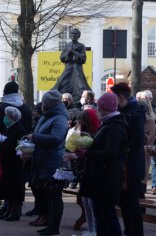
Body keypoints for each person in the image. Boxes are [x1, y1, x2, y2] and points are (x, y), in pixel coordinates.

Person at [75, 92, 128, 236]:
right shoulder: (108, 124)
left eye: (99, 107)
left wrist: (87, 153)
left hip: (107, 179)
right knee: (101, 216)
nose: (97, 110)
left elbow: (110, 153)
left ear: (105, 108)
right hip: (101, 178)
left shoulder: (115, 126)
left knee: (107, 217)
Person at [26, 90, 68, 236]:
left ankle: (54, 227)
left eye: (44, 103)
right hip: (43, 161)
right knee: (47, 196)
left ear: (49, 104)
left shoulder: (59, 119)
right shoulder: (47, 116)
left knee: (54, 196)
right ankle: (49, 223)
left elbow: (56, 139)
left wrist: (35, 137)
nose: (42, 105)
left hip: (53, 163)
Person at [0, 81, 32, 216]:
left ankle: (11, 207)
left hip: (9, 149)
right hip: (22, 150)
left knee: (10, 179)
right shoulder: (25, 108)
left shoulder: (2, 107)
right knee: (14, 180)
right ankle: (11, 207)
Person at [110, 83, 145, 236]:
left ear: (120, 97)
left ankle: (135, 233)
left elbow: (137, 140)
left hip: (131, 167)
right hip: (125, 166)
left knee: (131, 204)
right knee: (125, 204)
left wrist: (120, 144)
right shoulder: (125, 111)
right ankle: (129, 231)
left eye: (114, 99)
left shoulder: (135, 112)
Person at [63, 109, 100, 235]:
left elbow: (92, 152)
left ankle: (95, 230)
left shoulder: (95, 133)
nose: (80, 122)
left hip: (90, 170)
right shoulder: (82, 131)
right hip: (82, 169)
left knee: (91, 202)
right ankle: (91, 230)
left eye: (82, 119)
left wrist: (77, 155)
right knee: (85, 201)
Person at [0, 106, 27, 221]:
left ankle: (15, 211)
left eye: (7, 116)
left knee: (15, 187)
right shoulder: (8, 127)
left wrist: (1, 144)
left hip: (14, 162)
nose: (5, 118)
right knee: (8, 186)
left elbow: (15, 146)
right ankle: (9, 209)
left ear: (12, 117)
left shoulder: (18, 129)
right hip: (7, 161)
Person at [52, 28, 91, 103]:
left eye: (75, 34)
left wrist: (73, 52)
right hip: (68, 67)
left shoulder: (81, 46)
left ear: (78, 35)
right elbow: (62, 58)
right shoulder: (68, 45)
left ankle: (82, 98)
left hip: (77, 68)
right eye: (72, 33)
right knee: (61, 82)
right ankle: (56, 96)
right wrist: (68, 53)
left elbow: (83, 59)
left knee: (80, 84)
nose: (73, 35)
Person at [136, 93, 155, 195]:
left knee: (139, 192)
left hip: (142, 158)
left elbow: (147, 140)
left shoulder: (149, 121)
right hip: (133, 160)